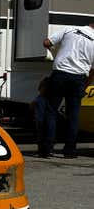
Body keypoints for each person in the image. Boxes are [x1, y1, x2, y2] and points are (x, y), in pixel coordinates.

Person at [39, 23, 94, 158]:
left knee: (51, 111)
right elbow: (93, 70)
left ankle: (46, 149)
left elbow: (46, 42)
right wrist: (86, 85)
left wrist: (56, 51)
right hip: (79, 78)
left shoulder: (70, 29)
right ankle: (69, 151)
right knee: (73, 115)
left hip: (60, 74)